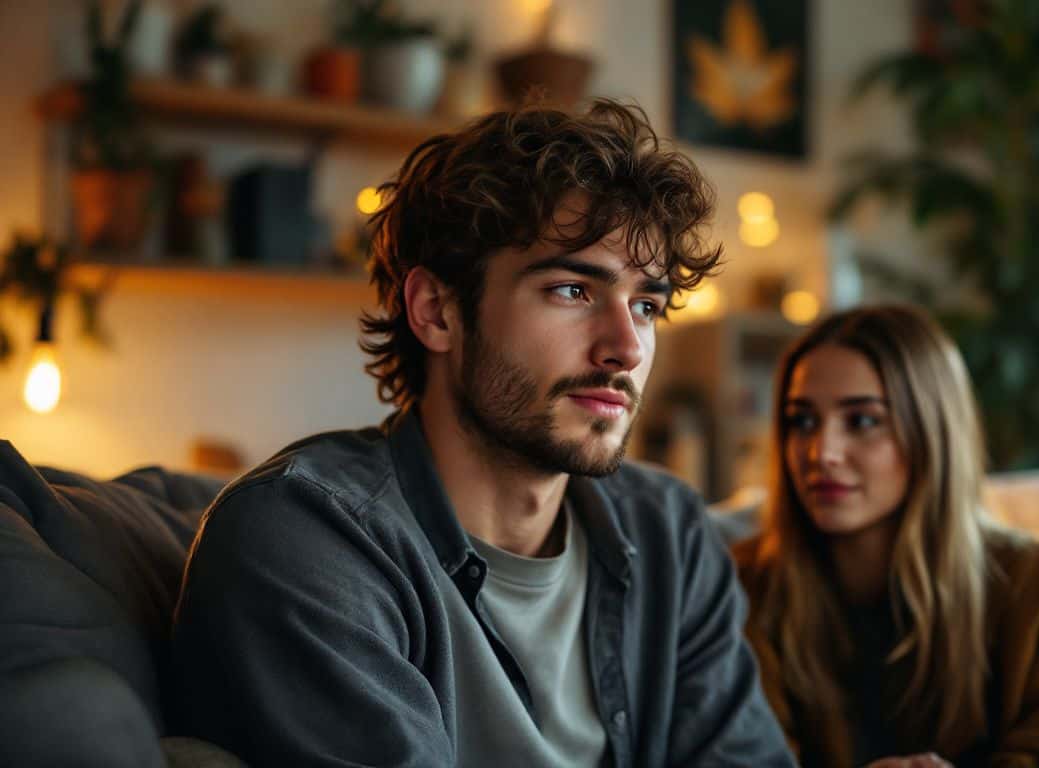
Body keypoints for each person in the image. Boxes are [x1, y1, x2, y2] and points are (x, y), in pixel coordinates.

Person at [170, 100, 794, 767]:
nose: (627, 349)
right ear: (436, 311)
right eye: (572, 291)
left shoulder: (670, 533)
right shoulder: (305, 540)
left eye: (646, 305)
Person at [732, 305, 1039, 768]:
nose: (823, 452)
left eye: (862, 421)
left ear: (931, 430)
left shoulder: (1031, 580)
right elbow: (741, 755)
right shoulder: (742, 585)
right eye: (802, 421)